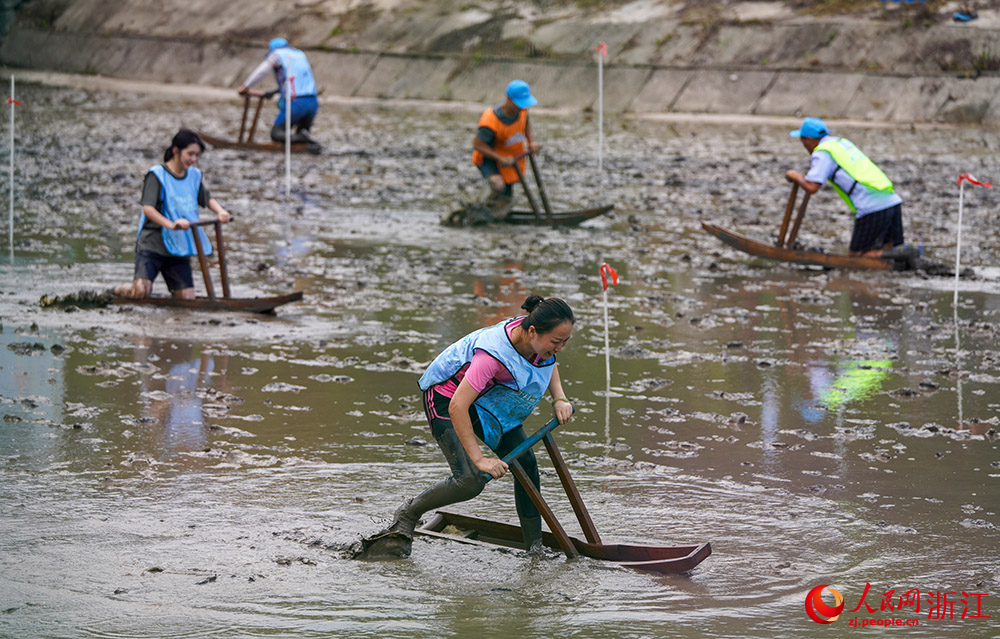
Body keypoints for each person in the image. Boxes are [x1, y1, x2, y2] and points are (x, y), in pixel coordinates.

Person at [371, 295, 575, 558]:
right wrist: (479, 459)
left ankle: (534, 550)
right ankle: (409, 513)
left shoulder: (535, 341)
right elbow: (458, 406)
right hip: (447, 397)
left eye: (565, 341)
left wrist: (559, 397)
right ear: (533, 330)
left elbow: (546, 361)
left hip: (486, 397)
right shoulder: (492, 355)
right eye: (556, 341)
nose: (560, 347)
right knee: (469, 480)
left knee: (525, 462)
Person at [784, 117, 918, 266]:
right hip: (891, 200)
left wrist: (794, 175)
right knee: (886, 249)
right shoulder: (842, 144)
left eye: (802, 142)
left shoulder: (822, 153)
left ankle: (906, 254)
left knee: (855, 258)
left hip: (871, 206)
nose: (805, 146)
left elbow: (812, 187)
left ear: (808, 139)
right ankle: (900, 261)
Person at [114, 130, 231, 300]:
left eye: (196, 155)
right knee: (140, 292)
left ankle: (166, 297)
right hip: (152, 245)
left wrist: (221, 211)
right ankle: (122, 290)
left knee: (187, 298)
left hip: (177, 247)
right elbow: (148, 209)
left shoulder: (193, 176)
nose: (193, 159)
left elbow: (206, 198)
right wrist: (172, 224)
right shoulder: (157, 175)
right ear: (176, 151)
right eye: (190, 154)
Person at [471, 80, 541, 220]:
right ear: (509, 99)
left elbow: (526, 123)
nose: (522, 107)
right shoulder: (491, 121)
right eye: (519, 103)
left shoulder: (522, 110)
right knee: (498, 185)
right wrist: (500, 158)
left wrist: (531, 142)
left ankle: (492, 215)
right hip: (489, 158)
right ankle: (480, 211)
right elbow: (478, 145)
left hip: (509, 158)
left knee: (506, 199)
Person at [238, 37, 321, 152]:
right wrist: (273, 92)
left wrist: (245, 86)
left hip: (296, 102)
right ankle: (303, 139)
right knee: (301, 131)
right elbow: (296, 80)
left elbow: (262, 70)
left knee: (276, 134)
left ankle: (301, 138)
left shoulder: (277, 54)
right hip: (313, 101)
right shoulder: (299, 54)